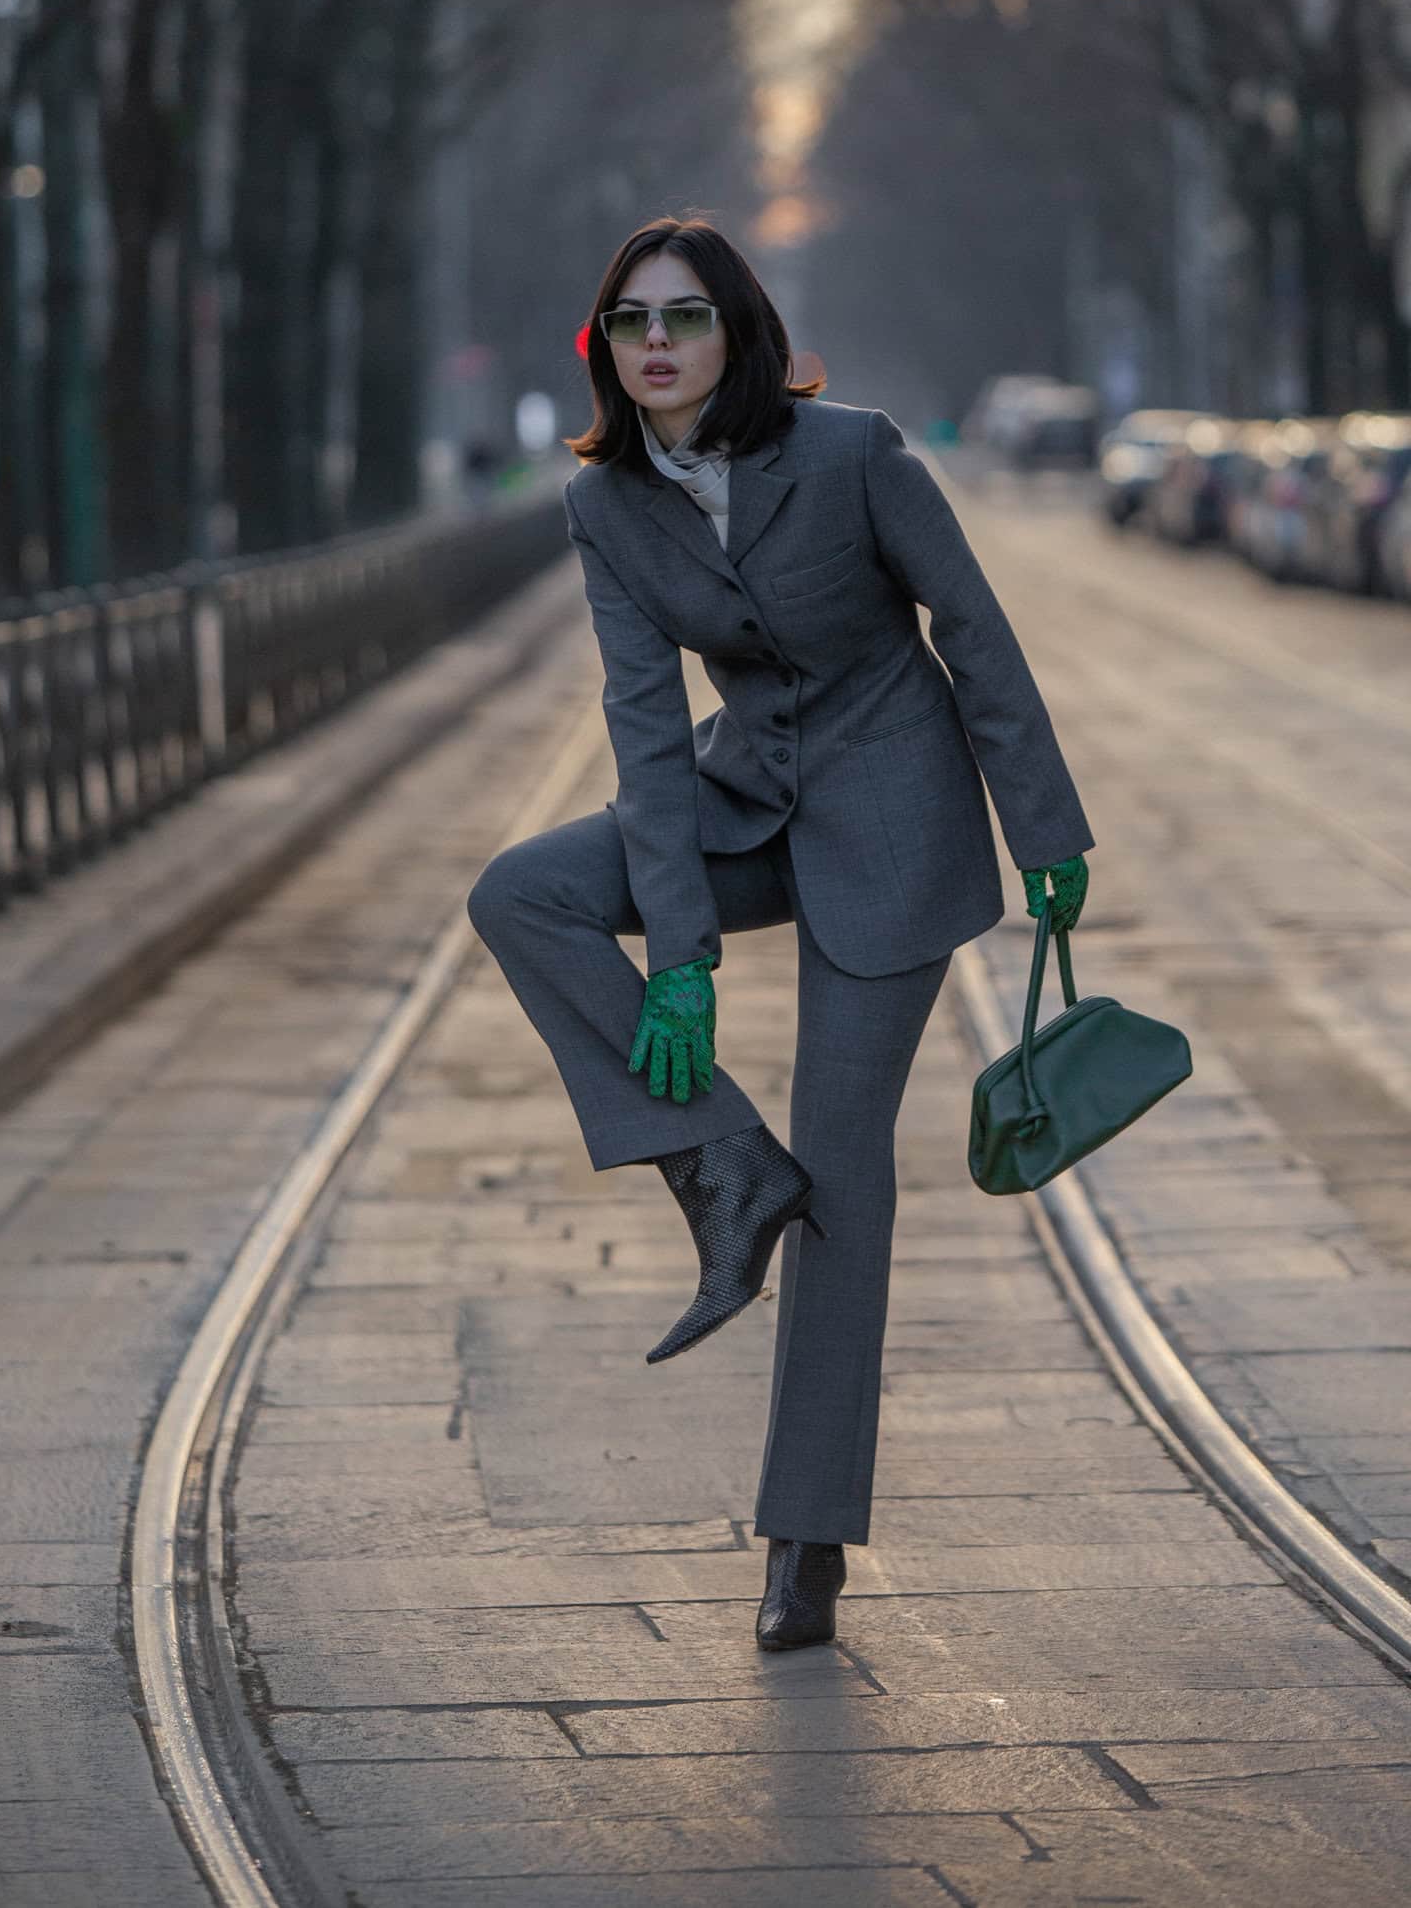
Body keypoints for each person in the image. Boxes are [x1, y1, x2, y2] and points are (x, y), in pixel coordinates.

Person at [466, 220, 1091, 1654]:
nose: (660, 345)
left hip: (896, 818)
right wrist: (678, 951)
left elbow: (974, 631)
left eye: (687, 317)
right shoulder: (606, 505)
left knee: (848, 1172)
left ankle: (806, 1538)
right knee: (524, 891)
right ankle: (724, 1165)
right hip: (744, 800)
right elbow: (640, 725)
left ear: (738, 333)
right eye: (630, 324)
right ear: (607, 352)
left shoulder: (856, 454)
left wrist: (1047, 834)